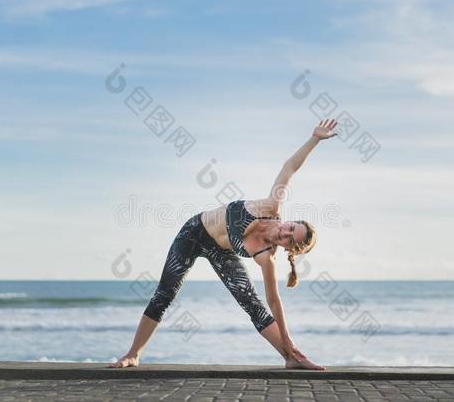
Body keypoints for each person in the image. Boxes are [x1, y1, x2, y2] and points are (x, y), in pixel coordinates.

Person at [109, 118, 339, 370]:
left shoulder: (265, 256)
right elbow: (290, 167)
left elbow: (273, 301)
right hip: (194, 233)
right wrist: (314, 139)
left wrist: (288, 340)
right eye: (291, 227)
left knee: (251, 303)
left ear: (289, 249)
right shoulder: (270, 206)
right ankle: (133, 354)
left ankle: (290, 357)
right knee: (165, 293)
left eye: (289, 240)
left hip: (220, 251)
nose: (284, 233)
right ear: (291, 221)